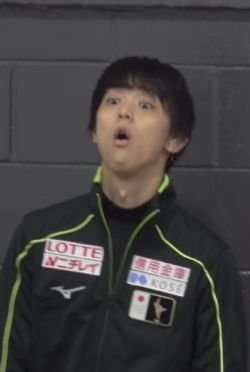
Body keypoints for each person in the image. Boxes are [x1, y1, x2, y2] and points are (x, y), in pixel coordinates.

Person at [0, 56, 247, 372]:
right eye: (113, 100)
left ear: (176, 138)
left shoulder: (205, 261)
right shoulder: (37, 238)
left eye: (145, 105)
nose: (124, 112)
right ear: (93, 130)